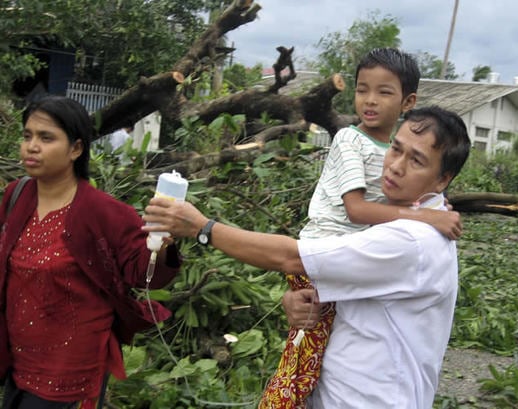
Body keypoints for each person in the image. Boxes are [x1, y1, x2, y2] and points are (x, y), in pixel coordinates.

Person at [143, 106, 472, 408]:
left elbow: (293, 258)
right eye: (395, 148)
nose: (396, 166)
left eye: (415, 160)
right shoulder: (411, 218)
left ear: (443, 179)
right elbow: (359, 289)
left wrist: (202, 227)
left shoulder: (410, 239)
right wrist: (304, 300)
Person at [264, 48, 462, 407]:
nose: (369, 101)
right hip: (323, 248)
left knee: (311, 352)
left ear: (408, 101)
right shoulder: (350, 139)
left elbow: (399, 207)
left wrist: (435, 206)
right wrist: (427, 216)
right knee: (302, 358)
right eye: (361, 89)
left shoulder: (394, 149)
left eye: (384, 92)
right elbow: (356, 210)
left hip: (347, 259)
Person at [0, 96, 181, 409]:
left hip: (70, 371)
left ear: (76, 149)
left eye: (46, 138)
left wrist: (163, 245)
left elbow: (143, 272)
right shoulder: (15, 196)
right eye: (27, 136)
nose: (31, 146)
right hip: (17, 359)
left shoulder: (105, 212)